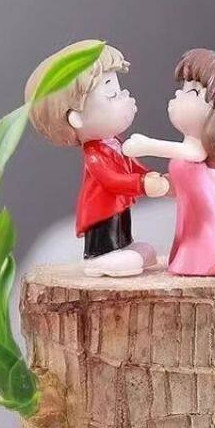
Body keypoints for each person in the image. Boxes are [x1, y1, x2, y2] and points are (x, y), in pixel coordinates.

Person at [122, 37, 215, 276]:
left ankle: (202, 262)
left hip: (203, 216)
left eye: (192, 92)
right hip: (191, 214)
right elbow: (204, 181)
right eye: (183, 88)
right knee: (189, 238)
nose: (178, 95)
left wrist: (147, 145)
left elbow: (191, 155)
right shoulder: (194, 156)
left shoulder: (194, 151)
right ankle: (190, 260)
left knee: (202, 240)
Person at [25, 40, 169, 277]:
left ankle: (124, 246)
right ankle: (100, 256)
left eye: (120, 90)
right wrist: (142, 184)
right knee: (107, 231)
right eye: (112, 94)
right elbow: (111, 180)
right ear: (76, 118)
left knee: (122, 228)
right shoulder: (94, 156)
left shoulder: (115, 142)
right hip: (101, 210)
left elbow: (131, 165)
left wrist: (150, 176)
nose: (125, 97)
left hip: (118, 205)